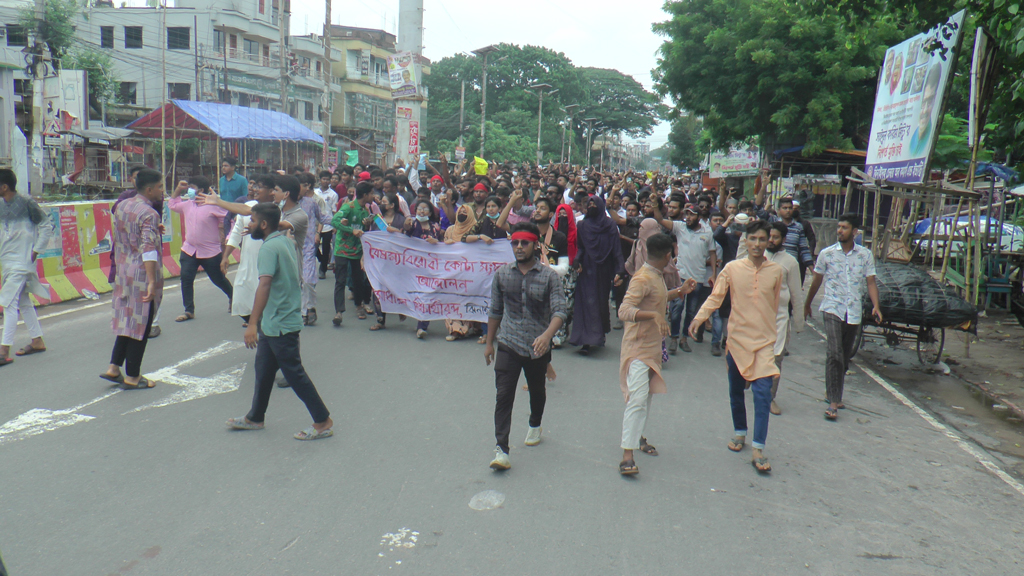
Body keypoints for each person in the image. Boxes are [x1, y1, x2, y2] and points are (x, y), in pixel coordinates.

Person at [226, 203, 334, 441]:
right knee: (263, 369)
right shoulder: (285, 240)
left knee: (294, 374)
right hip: (275, 321)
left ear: (264, 224)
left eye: (252, 221)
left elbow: (264, 284)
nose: (249, 225)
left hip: (281, 322)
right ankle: (255, 417)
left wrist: (252, 323)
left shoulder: (269, 248)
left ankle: (322, 421)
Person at [690, 220, 784, 473]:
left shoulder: (776, 271)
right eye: (752, 239)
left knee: (763, 394)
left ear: (768, 242)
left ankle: (758, 448)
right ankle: (740, 432)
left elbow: (773, 307)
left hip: (764, 342)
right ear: (745, 241)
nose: (757, 244)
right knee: (736, 391)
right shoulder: (732, 268)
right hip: (738, 340)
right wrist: (699, 318)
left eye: (762, 240)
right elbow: (716, 296)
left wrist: (774, 336)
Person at [484, 222, 567, 470]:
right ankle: (501, 450)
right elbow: (495, 311)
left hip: (537, 347)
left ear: (535, 245)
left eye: (524, 243)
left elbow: (560, 311)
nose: (519, 248)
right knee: (503, 395)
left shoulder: (549, 276)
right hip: (508, 342)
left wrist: (546, 336)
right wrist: (489, 343)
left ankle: (535, 423)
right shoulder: (501, 275)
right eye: (515, 243)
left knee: (537, 391)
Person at [618, 234, 697, 475]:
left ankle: (638, 437)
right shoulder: (642, 278)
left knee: (645, 397)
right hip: (638, 348)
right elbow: (624, 310)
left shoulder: (655, 276)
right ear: (668, 255)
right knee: (638, 399)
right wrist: (653, 316)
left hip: (651, 348)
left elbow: (656, 299)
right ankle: (627, 455)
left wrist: (679, 292)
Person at [804, 213, 883, 421]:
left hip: (854, 312)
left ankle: (833, 390)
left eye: (844, 228)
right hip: (832, 308)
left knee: (844, 357)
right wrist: (806, 304)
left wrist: (876, 306)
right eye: (838, 227)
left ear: (855, 232)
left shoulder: (865, 255)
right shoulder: (827, 254)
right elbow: (816, 281)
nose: (840, 231)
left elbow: (871, 282)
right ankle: (833, 402)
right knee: (834, 353)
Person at [100, 169, 165, 389]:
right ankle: (133, 376)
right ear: (149, 189)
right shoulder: (150, 213)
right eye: (160, 187)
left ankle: (114, 366)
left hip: (122, 270)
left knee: (125, 320)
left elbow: (125, 233)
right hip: (140, 272)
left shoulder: (122, 206)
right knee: (142, 322)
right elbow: (147, 249)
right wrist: (151, 280)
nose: (162, 191)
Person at [0, 168, 55, 365]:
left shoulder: (27, 203)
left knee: (8, 303)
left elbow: (46, 225)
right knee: (23, 301)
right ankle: (37, 340)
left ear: (4, 187)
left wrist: (36, 250)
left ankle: (3, 350)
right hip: (7, 262)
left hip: (21, 263)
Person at [169, 176, 233, 323]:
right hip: (189, 249)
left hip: (210, 251)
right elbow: (172, 204)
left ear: (201, 190)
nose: (189, 190)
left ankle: (233, 296)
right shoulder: (188, 205)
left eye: (192, 187)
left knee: (218, 279)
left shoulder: (213, 206)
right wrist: (178, 190)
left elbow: (230, 219)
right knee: (186, 278)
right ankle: (189, 310)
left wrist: (229, 237)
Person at [657, 203, 717, 354]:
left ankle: (684, 338)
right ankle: (674, 338)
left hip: (697, 277)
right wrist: (655, 204)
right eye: (686, 214)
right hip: (680, 276)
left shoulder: (707, 232)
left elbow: (712, 253)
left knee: (691, 311)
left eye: (691, 214)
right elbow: (660, 220)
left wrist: (714, 273)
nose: (688, 217)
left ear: (698, 216)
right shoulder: (680, 227)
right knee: (676, 309)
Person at [569, 195, 624, 355]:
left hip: (603, 270)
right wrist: (577, 261)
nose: (591, 205)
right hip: (586, 269)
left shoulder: (610, 226)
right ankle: (585, 341)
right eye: (589, 203)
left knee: (599, 303)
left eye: (594, 203)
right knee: (585, 303)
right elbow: (581, 247)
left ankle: (597, 336)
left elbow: (616, 250)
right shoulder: (583, 225)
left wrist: (619, 270)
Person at [222, 174, 275, 326]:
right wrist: (226, 256)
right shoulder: (248, 206)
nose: (255, 189)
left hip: (266, 263)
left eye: (260, 187)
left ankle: (260, 324)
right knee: (241, 298)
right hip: (247, 263)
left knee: (265, 297)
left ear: (271, 191)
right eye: (254, 186)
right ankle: (256, 322)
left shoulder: (276, 210)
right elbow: (236, 233)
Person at [766, 222, 805, 415]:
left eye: (775, 237)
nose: (770, 241)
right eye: (769, 236)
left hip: (780, 317)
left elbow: (796, 294)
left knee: (775, 358)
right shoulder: (758, 256)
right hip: (757, 316)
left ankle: (770, 398)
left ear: (783, 239)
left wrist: (798, 323)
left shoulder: (790, 262)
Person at [443, 204, 492, 341]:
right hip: (454, 273)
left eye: (466, 211)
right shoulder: (450, 230)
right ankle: (456, 330)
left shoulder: (477, 230)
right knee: (454, 300)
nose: (462, 213)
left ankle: (477, 327)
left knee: (473, 300)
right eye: (460, 211)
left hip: (472, 273)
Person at [332, 181, 374, 326]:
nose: (373, 196)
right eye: (371, 193)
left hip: (356, 251)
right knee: (340, 280)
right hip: (342, 249)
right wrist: (351, 230)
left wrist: (366, 225)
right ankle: (338, 312)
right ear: (365, 194)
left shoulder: (365, 211)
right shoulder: (348, 207)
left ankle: (359, 306)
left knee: (358, 280)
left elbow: (363, 229)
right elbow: (334, 221)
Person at [404, 199, 444, 339]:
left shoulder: (435, 227)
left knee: (426, 295)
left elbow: (441, 245)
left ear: (430, 212)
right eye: (419, 208)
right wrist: (406, 224)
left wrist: (436, 242)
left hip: (429, 268)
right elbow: (405, 233)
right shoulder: (412, 223)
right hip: (412, 266)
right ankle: (404, 311)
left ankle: (422, 326)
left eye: (425, 209)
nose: (422, 211)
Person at [297, 172, 333, 326]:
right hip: (290, 249)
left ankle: (308, 309)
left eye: (308, 185)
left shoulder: (311, 203)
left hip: (308, 248)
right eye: (303, 185)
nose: (307, 188)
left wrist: (341, 220)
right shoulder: (283, 205)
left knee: (307, 280)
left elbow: (323, 217)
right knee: (296, 282)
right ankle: (302, 309)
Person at [369, 192, 406, 331]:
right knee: (377, 288)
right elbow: (371, 239)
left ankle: (402, 309)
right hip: (379, 260)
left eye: (384, 202)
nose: (381, 204)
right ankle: (380, 319)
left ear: (392, 205)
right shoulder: (378, 220)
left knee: (397, 287)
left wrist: (395, 231)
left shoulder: (401, 220)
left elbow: (406, 239)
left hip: (396, 261)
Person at [314, 170, 339, 279]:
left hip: (328, 225)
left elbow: (334, 211)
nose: (325, 181)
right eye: (323, 179)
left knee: (326, 248)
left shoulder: (333, 194)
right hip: (315, 225)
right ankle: (321, 259)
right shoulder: (314, 192)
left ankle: (323, 269)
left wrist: (335, 226)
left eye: (327, 179)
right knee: (314, 246)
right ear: (320, 180)